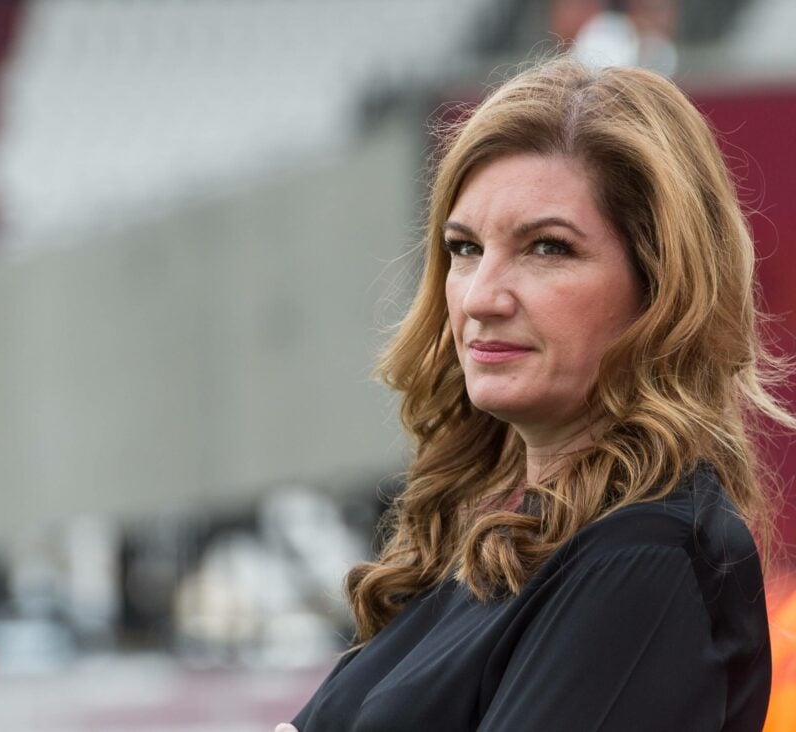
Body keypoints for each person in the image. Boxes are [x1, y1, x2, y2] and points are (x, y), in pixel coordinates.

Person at [279, 55, 794, 731]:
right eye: (464, 249)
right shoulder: (490, 545)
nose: (482, 297)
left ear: (663, 288)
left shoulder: (646, 563)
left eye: (547, 248)